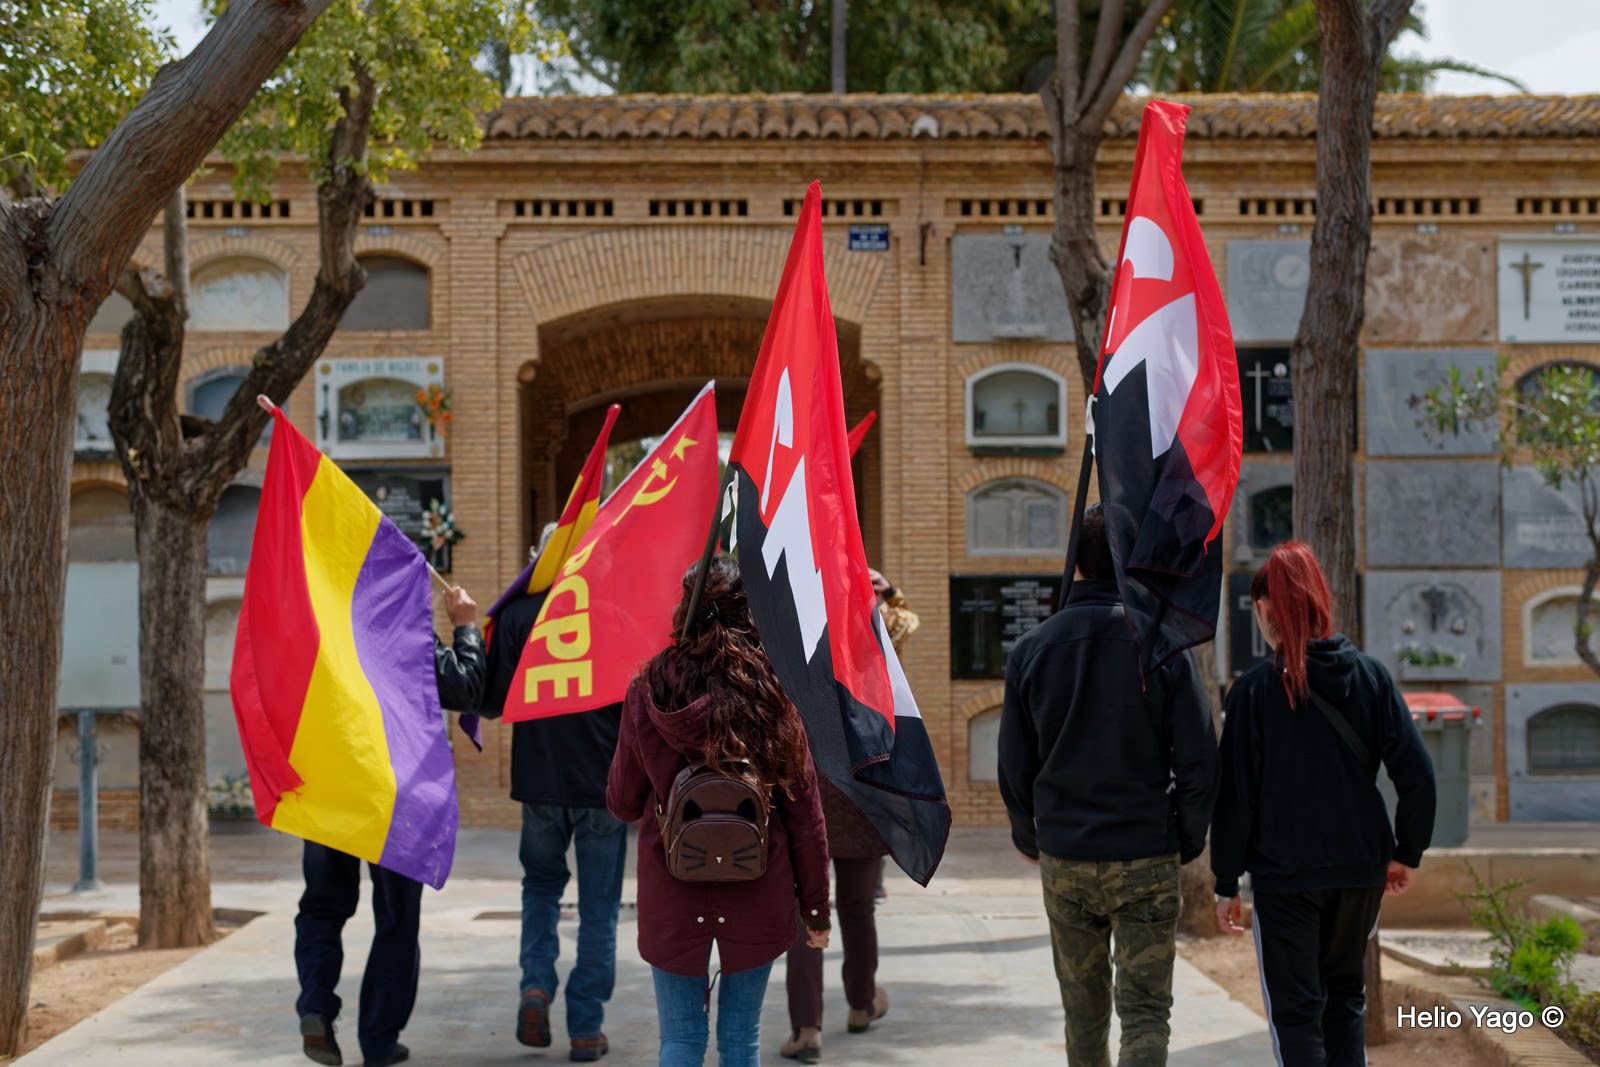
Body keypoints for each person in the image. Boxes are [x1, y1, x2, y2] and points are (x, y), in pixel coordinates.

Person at [997, 502, 1219, 1067]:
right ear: (1130, 561)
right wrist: (1186, 837)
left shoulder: (1031, 650)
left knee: (1083, 1011)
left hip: (1067, 855)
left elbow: (1014, 764)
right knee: (1145, 1012)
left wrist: (1028, 835)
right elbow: (1199, 761)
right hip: (1145, 850)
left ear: (1074, 563)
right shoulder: (1164, 646)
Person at [1212, 541, 1436, 1067]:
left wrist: (1226, 881)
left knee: (1296, 1016)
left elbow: (1236, 798)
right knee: (1345, 1001)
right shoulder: (1372, 677)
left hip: (1285, 878)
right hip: (1359, 872)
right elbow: (1419, 775)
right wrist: (1406, 853)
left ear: (1266, 608)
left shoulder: (1253, 693)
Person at [608, 554, 832, 1067]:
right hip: (759, 888)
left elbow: (622, 804)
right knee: (740, 1041)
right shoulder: (773, 691)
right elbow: (806, 818)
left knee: (680, 1040)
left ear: (684, 609)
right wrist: (816, 910)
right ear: (748, 612)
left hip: (672, 891)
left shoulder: (647, 689)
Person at [297, 585, 486, 1067]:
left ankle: (315, 1006)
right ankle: (379, 1041)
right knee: (397, 919)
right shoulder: (408, 630)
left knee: (322, 908)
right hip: (397, 793)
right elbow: (465, 688)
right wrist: (465, 627)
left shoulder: (325, 627)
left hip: (331, 788)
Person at [479, 523, 627, 1063]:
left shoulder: (518, 616)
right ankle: (586, 1028)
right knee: (599, 907)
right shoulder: (614, 615)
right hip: (601, 784)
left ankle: (536, 988)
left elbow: (492, 701)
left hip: (539, 779)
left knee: (540, 889)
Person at [776, 568, 909, 1061]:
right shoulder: (873, 657)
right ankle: (861, 1002)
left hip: (806, 797)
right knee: (857, 908)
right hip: (862, 797)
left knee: (805, 913)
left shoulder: (790, 653)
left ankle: (807, 1027)